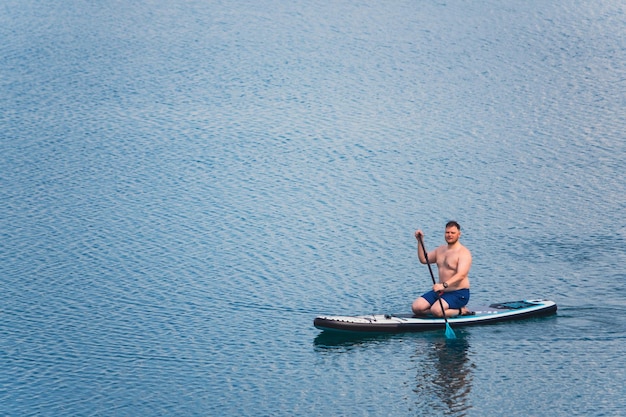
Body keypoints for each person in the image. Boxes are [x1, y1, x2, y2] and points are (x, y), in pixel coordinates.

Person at [412, 221, 473, 317]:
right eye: (447, 232)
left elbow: (461, 275)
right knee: (416, 307)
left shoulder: (464, 253)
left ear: (459, 234)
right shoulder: (440, 250)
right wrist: (420, 241)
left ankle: (461, 311)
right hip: (441, 291)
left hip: (459, 293)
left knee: (436, 311)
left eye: (453, 233)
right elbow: (424, 259)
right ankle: (440, 310)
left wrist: (443, 285)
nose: (449, 235)